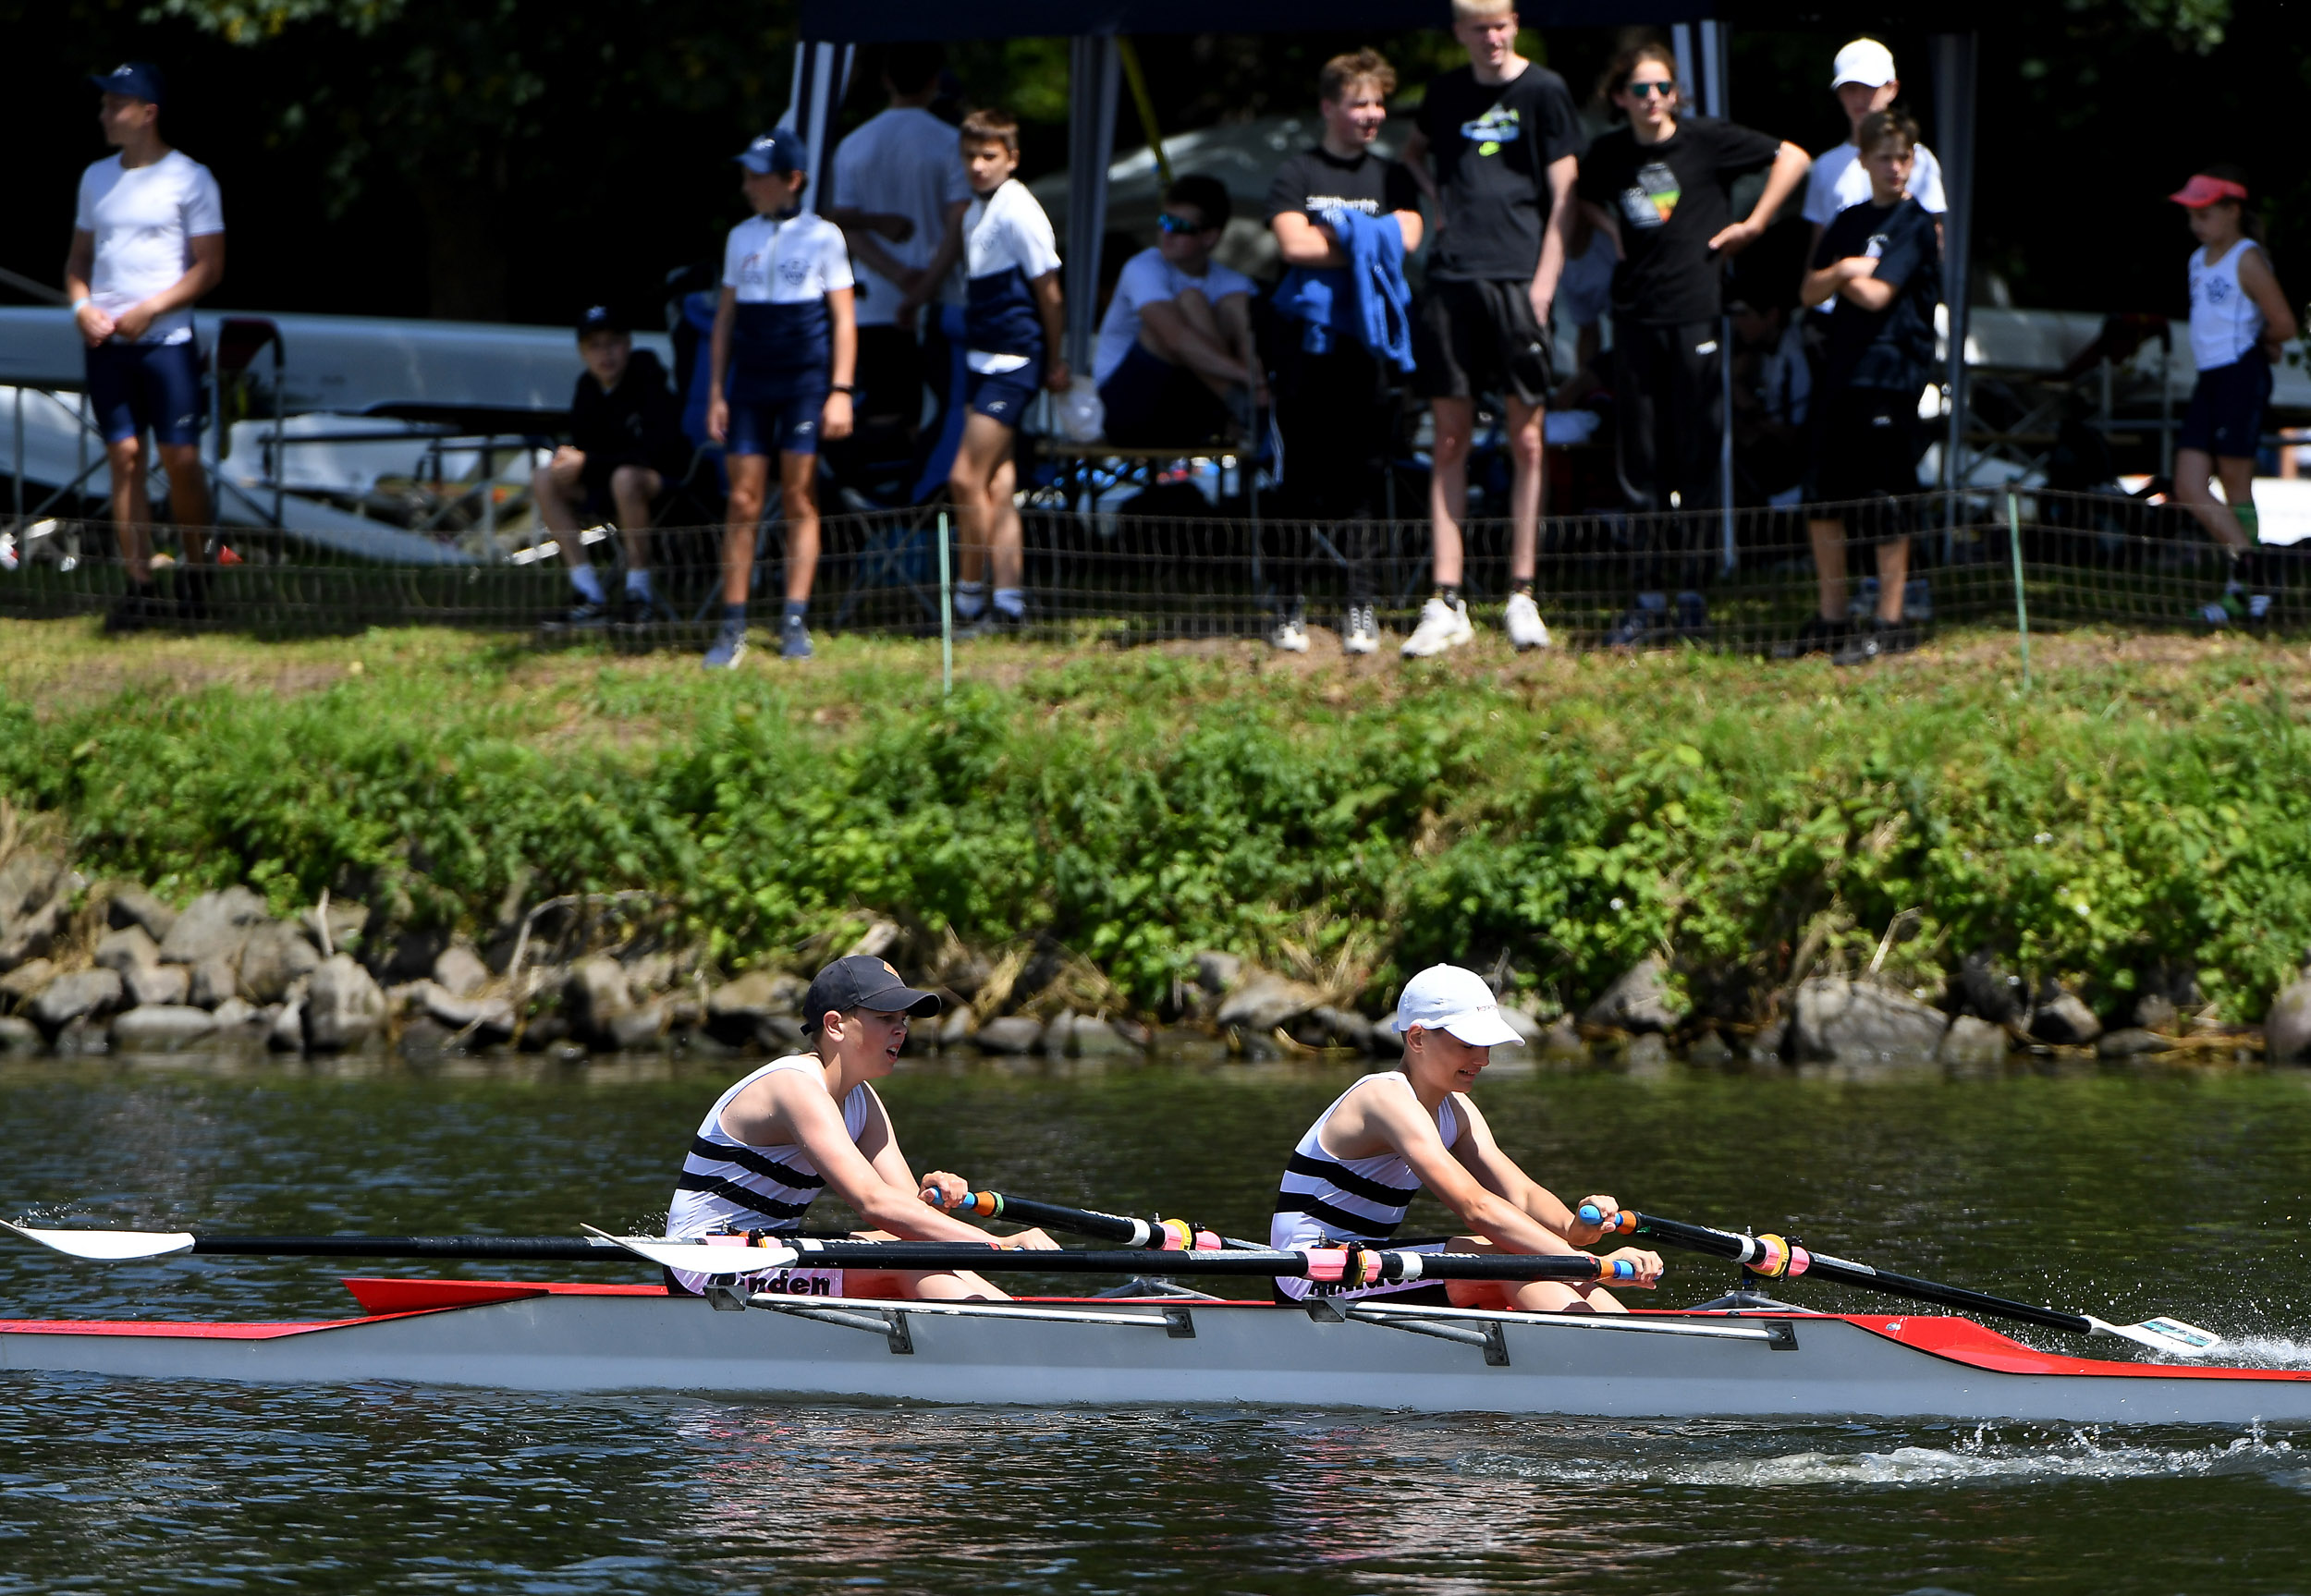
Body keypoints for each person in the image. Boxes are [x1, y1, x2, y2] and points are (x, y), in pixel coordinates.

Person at [1576, 41, 1808, 644]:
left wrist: (1754, 224)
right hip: (1634, 317)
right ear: (1619, 97)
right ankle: (1648, 593)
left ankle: (1693, 592)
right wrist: (1608, 229)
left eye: (1662, 88)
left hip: (1696, 314)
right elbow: (1574, 194)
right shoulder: (1607, 153)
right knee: (1642, 462)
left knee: (1697, 456)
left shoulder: (1707, 141)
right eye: (1640, 89)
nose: (1653, 99)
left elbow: (1794, 156)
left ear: (1675, 92)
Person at [1269, 963, 1663, 1311]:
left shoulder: (1454, 1107)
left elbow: (1520, 1195)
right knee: (1511, 1260)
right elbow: (1476, 1206)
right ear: (1418, 1038)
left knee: (1522, 1260)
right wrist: (1591, 1266)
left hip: (1366, 1263)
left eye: (1485, 1044)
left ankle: (1623, 1342)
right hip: (1312, 1274)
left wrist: (1573, 1227)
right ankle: (1620, 1361)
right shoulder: (1383, 1097)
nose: (1484, 1059)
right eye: (1467, 1044)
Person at [666, 954, 1059, 1301]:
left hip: (769, 1251)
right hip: (707, 1264)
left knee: (914, 1244)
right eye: (885, 1018)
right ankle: (1019, 1336)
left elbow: (906, 1209)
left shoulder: (861, 1098)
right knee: (907, 1259)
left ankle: (1013, 1315)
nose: (901, 1030)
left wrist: (937, 1189)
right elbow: (873, 1204)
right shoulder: (794, 1086)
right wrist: (999, 1245)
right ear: (835, 1025)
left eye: (902, 1020)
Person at [1400, 0, 1587, 659]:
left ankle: (1522, 590)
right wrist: (1437, 204)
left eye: (1502, 24)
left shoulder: (1545, 90)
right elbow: (1412, 152)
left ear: (1516, 25)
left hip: (1519, 280)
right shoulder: (1446, 92)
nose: (1493, 37)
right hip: (1452, 279)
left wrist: (1544, 283)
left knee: (1528, 439)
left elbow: (1567, 195)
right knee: (1449, 436)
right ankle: (1446, 597)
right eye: (1479, 27)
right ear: (1460, 33)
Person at [1265, 49, 1425, 655]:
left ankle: (1361, 604)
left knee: (1364, 479)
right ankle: (1288, 603)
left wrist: (1339, 236)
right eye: (1360, 103)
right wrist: (1368, 240)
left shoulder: (1393, 176)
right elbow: (1292, 245)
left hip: (1370, 347)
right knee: (1299, 479)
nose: (1372, 114)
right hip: (1306, 349)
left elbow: (1406, 238)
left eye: (1379, 102)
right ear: (1329, 106)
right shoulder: (1297, 174)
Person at [64, 62, 225, 634]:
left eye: (115, 105)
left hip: (167, 342)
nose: (104, 115)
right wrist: (84, 308)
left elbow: (210, 268)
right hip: (107, 344)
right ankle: (138, 585)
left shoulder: (191, 178)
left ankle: (198, 572)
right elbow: (78, 262)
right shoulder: (95, 179)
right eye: (104, 105)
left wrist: (151, 309)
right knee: (124, 456)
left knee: (180, 459)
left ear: (147, 113)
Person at [704, 128, 857, 668]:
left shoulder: (825, 237)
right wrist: (716, 392)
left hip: (804, 383)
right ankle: (732, 624)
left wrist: (840, 391)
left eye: (757, 177)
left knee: (799, 497)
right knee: (742, 500)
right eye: (745, 175)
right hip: (751, 383)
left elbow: (844, 320)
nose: (747, 186)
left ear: (792, 180)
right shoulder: (739, 237)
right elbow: (724, 320)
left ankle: (794, 617)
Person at [1797, 109, 1942, 664]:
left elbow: (1882, 295)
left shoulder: (1917, 223)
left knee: (1885, 498)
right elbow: (1809, 290)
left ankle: (1891, 619)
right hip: (1840, 370)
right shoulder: (1849, 218)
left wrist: (1849, 275)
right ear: (1863, 161)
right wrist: (1845, 271)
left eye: (1904, 157)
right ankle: (1832, 619)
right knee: (1823, 494)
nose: (1895, 168)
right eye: (1884, 157)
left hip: (1891, 373)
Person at [946, 108, 1066, 633]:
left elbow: (1050, 292)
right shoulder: (976, 210)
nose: (977, 165)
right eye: (970, 155)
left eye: (989, 156)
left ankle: (968, 600)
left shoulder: (1020, 209)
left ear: (1011, 159)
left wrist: (1056, 360)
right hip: (981, 356)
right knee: (997, 483)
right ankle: (1011, 603)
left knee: (963, 477)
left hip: (1014, 361)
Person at [825, 43, 971, 474]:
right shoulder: (951, 144)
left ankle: (880, 503)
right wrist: (922, 285)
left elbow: (843, 228)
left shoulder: (854, 145)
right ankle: (922, 502)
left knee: (886, 410)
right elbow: (957, 227)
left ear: (886, 79)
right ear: (934, 81)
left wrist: (897, 274)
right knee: (938, 412)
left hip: (875, 304)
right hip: (940, 302)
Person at [2169, 164, 2298, 624]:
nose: (2195, 223)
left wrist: (2260, 344)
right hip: (2210, 380)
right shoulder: (2195, 261)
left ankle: (2243, 590)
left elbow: (2283, 323)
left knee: (2236, 485)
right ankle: (2256, 569)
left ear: (2232, 211)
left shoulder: (2246, 257)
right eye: (2191, 214)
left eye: (2204, 213)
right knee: (2187, 483)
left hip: (2240, 377)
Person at [535, 306, 689, 627]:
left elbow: (656, 451)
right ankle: (588, 592)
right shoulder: (587, 389)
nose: (605, 354)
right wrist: (570, 461)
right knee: (545, 477)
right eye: (595, 345)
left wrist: (588, 462)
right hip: (607, 482)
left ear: (629, 344)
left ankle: (639, 592)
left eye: (613, 343)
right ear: (582, 353)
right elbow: (587, 453)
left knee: (624, 479)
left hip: (667, 483)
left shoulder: (648, 378)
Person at [1091, 174, 1264, 448]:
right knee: (1186, 305)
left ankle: (1251, 410)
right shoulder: (1143, 267)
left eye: (1179, 226)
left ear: (1210, 236)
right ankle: (1245, 408)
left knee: (1233, 304)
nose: (1167, 233)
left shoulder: (1234, 283)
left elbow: (1251, 334)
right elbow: (1174, 337)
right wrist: (1246, 377)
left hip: (1189, 406)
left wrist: (1255, 375)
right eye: (1164, 221)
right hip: (1123, 410)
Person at [1802, 40, 1946, 267]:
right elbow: (1818, 249)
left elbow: (1934, 239)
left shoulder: (1921, 160)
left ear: (1893, 89)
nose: (1860, 98)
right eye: (1850, 88)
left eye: (1870, 87)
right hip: (1837, 299)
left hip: (1900, 294)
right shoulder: (1825, 166)